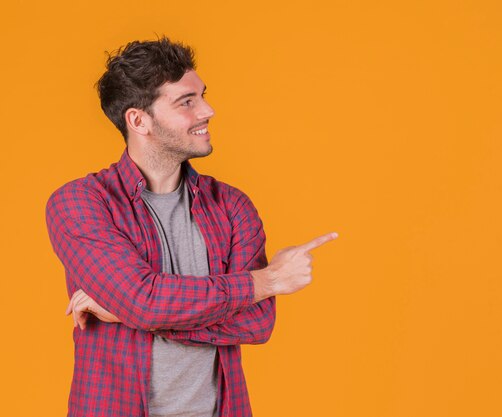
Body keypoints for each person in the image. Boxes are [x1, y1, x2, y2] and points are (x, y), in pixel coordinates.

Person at [45, 37, 338, 417]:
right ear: (139, 120)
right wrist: (266, 282)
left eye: (202, 96)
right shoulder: (81, 203)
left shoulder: (232, 206)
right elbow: (144, 302)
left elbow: (257, 324)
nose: (208, 110)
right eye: (187, 102)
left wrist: (125, 314)